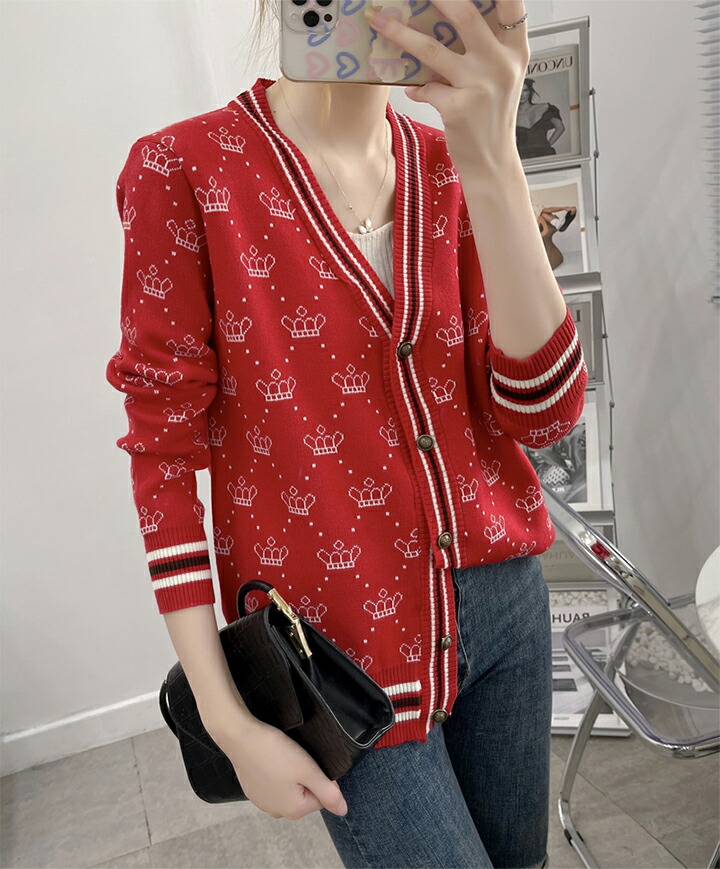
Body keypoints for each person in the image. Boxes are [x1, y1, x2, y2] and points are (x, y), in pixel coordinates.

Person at [105, 1, 587, 865]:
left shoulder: (451, 165)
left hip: (507, 607)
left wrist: (492, 155)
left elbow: (544, 412)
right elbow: (163, 460)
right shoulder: (185, 172)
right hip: (339, 656)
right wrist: (227, 721)